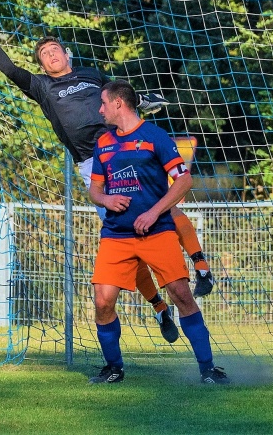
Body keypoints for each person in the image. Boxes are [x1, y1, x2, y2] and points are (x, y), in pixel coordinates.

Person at [0, 6, 215, 344]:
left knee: (168, 209)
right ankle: (159, 307)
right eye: (44, 54)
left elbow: (120, 96)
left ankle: (201, 267)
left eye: (54, 49)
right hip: (94, 165)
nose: (50, 55)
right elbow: (10, 70)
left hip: (126, 150)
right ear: (42, 65)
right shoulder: (42, 86)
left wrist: (142, 101)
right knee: (128, 240)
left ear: (66, 54)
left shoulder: (91, 74)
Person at [87, 80, 228, 384]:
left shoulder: (155, 136)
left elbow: (184, 180)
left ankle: (208, 369)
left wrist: (153, 212)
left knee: (182, 295)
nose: (100, 110)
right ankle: (114, 368)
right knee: (102, 301)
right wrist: (106, 199)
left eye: (103, 103)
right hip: (116, 235)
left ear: (118, 103)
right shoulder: (103, 143)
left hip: (158, 233)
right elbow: (95, 189)